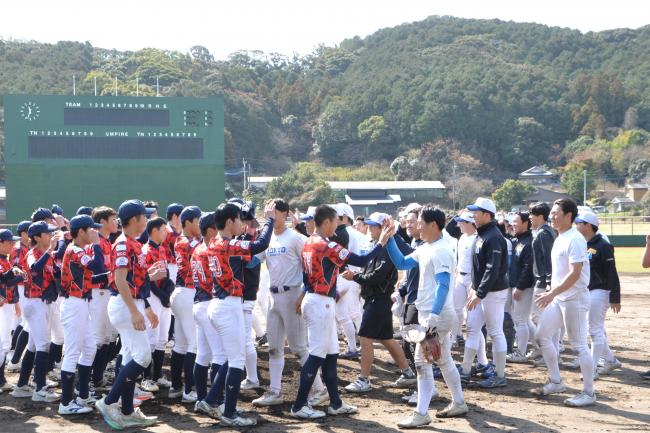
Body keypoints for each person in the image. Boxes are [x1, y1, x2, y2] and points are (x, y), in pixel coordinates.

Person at [290, 204, 385, 419]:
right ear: (326, 222)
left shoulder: (309, 242)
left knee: (332, 353)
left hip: (317, 300)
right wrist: (381, 243)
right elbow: (361, 260)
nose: (337, 225)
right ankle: (299, 405)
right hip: (320, 302)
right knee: (316, 355)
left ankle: (335, 402)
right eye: (335, 221)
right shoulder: (326, 244)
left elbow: (307, 276)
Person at [384, 206, 469, 427]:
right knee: (444, 360)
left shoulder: (441, 250)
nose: (416, 226)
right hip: (431, 313)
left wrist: (433, 314)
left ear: (433, 224)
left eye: (420, 222)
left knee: (422, 362)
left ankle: (422, 413)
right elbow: (402, 263)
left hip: (436, 315)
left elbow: (443, 284)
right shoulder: (425, 248)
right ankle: (459, 402)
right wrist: (390, 238)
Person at [194, 201, 274, 427]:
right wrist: (270, 219)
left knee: (230, 358)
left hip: (219, 304)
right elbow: (261, 244)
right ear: (229, 222)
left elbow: (247, 252)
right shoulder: (227, 244)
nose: (242, 223)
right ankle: (229, 413)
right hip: (228, 307)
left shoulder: (216, 242)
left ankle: (210, 400)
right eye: (239, 219)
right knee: (237, 361)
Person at [95, 199, 160, 429]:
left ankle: (127, 411)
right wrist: (134, 311)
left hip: (131, 303)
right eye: (145, 216)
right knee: (143, 357)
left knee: (132, 357)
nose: (148, 220)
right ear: (134, 219)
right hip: (125, 305)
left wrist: (146, 304)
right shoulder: (123, 244)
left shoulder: (131, 242)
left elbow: (132, 279)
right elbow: (120, 281)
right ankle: (109, 402)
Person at [252, 199, 321, 407]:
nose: (270, 215)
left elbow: (310, 266)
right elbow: (254, 259)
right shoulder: (267, 237)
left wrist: (304, 293)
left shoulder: (296, 238)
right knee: (274, 348)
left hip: (293, 295)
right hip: (273, 296)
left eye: (273, 212)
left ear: (285, 213)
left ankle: (320, 389)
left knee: (299, 347)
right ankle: (275, 391)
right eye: (268, 212)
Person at [343, 212, 415, 394]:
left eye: (374, 226)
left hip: (379, 298)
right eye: (369, 225)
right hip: (377, 298)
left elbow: (377, 276)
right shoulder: (376, 245)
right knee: (386, 338)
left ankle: (364, 379)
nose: (369, 228)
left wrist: (355, 277)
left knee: (365, 338)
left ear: (383, 228)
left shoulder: (387, 247)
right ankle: (407, 373)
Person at [533, 198, 596, 407]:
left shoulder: (575, 239)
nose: (552, 216)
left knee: (579, 345)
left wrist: (552, 293)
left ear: (569, 215)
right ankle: (556, 381)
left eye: (556, 213)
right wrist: (553, 292)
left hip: (574, 299)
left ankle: (589, 393)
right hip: (559, 298)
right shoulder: (560, 237)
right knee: (542, 336)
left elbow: (575, 273)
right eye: (551, 213)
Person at [58, 215, 108, 415]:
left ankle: (83, 395)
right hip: (73, 305)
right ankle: (66, 403)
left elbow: (92, 276)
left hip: (81, 303)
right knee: (72, 352)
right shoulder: (75, 249)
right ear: (80, 232)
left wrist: (110, 276)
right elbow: (97, 266)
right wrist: (96, 244)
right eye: (91, 229)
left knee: (89, 348)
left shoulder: (79, 249)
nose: (95, 232)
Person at [11, 221, 63, 403]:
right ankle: (40, 389)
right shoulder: (33, 253)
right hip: (35, 303)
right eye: (47, 233)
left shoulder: (47, 254)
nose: (50, 236)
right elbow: (34, 268)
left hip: (43, 303)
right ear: (37, 237)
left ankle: (21, 386)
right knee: (43, 345)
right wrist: (50, 250)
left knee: (33, 346)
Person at [461, 197, 509, 388]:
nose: (473, 215)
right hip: (481, 290)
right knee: (472, 328)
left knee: (495, 331)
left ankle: (500, 375)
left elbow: (492, 269)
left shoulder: (493, 236)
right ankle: (465, 370)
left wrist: (479, 293)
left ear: (487, 215)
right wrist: (474, 288)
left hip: (493, 292)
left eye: (477, 212)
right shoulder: (482, 234)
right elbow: (480, 268)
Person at [574, 211, 622, 377]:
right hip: (587, 291)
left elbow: (611, 272)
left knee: (594, 330)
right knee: (595, 329)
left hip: (600, 291)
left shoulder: (603, 245)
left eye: (579, 223)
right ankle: (611, 360)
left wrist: (615, 297)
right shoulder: (583, 243)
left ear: (588, 226)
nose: (576, 225)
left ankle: (592, 369)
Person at [169, 206, 202, 401]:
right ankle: (190, 390)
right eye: (197, 221)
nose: (200, 225)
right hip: (188, 293)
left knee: (180, 344)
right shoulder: (188, 242)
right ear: (188, 222)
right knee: (194, 344)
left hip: (181, 293)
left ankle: (176, 386)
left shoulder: (181, 240)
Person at [140, 217, 175, 394]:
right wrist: (162, 296)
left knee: (163, 338)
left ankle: (157, 375)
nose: (166, 232)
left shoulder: (161, 248)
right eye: (163, 229)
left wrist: (168, 293)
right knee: (151, 338)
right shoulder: (146, 250)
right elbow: (148, 280)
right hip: (152, 297)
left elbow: (165, 274)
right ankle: (146, 378)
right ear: (154, 230)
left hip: (162, 297)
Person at [90, 206, 119, 390]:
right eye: (113, 219)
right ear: (102, 222)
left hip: (107, 293)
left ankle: (98, 378)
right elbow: (98, 270)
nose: (117, 222)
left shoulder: (107, 241)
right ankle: (88, 381)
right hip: (98, 294)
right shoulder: (97, 242)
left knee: (108, 338)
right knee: (98, 340)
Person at [528, 202, 556, 363]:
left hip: (543, 282)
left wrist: (548, 282)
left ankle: (547, 353)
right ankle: (549, 352)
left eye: (532, 215)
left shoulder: (543, 233)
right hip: (543, 281)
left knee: (539, 319)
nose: (530, 217)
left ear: (540, 216)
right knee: (542, 319)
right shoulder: (546, 231)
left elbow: (548, 260)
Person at [506, 212, 535, 363]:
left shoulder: (529, 242)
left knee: (520, 321)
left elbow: (528, 268)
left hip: (523, 288)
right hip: (514, 285)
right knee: (523, 320)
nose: (513, 224)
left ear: (525, 223)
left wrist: (519, 287)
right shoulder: (517, 240)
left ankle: (521, 353)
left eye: (516, 222)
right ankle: (539, 347)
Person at [0, 229, 25, 393]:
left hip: (7, 305)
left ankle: (1, 380)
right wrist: (14, 272)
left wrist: (15, 302)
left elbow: (9, 283)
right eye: (9, 242)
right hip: (2, 307)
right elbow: (2, 279)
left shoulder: (5, 259)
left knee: (5, 343)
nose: (12, 245)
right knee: (2, 344)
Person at [452, 211, 477, 346]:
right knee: (457, 307)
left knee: (471, 310)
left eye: (462, 222)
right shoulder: (462, 238)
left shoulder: (477, 238)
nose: (459, 225)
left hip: (472, 278)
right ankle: (457, 334)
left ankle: (472, 337)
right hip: (460, 276)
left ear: (470, 223)